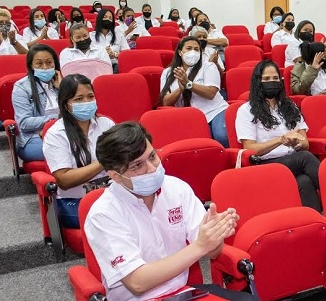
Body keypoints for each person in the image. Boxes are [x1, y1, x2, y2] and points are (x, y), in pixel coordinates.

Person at [88, 122, 258, 301]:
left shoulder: (176, 188)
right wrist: (200, 245)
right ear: (115, 175)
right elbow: (137, 282)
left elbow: (212, 253)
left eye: (152, 156)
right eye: (138, 165)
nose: (152, 168)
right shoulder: (103, 214)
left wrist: (214, 236)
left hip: (183, 293)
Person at [235, 60, 322, 211]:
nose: (272, 82)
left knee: (304, 181)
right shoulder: (246, 110)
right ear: (258, 82)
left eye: (275, 78)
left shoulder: (289, 106)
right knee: (305, 157)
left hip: (292, 161)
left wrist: (296, 142)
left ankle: (317, 220)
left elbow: (305, 144)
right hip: (264, 165)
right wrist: (280, 140)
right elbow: (249, 149)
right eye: (267, 79)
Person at [42, 74, 115, 229]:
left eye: (90, 97)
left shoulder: (106, 124)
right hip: (74, 200)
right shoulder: (57, 133)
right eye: (79, 99)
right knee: (110, 220)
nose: (86, 102)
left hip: (110, 194)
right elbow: (65, 180)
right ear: (65, 103)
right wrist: (104, 161)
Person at [159, 37, 229, 147]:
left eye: (196, 49)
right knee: (204, 143)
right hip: (190, 116)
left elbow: (211, 93)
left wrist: (188, 84)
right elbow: (166, 102)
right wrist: (180, 90)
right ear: (180, 52)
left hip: (215, 111)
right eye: (189, 48)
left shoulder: (208, 66)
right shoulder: (168, 73)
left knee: (222, 136)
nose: (193, 52)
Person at [12, 44, 62, 162]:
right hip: (33, 137)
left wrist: (62, 89)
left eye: (49, 62)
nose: (45, 67)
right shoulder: (21, 87)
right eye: (39, 63)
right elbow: (24, 122)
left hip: (64, 132)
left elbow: (74, 113)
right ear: (31, 66)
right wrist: (57, 119)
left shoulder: (61, 83)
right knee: (64, 149)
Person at [91, 8, 129, 73]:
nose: (108, 19)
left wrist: (115, 55)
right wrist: (103, 54)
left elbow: (127, 54)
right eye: (105, 17)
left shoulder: (118, 35)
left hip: (115, 66)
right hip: (97, 67)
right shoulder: (91, 36)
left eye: (110, 18)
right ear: (99, 19)